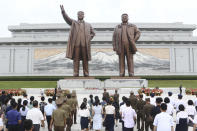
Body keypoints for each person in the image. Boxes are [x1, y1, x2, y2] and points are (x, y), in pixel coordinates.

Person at [60, 5, 95, 77]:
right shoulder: (74, 23)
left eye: (81, 14)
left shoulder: (88, 25)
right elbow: (67, 19)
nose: (80, 15)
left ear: (84, 15)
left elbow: (93, 33)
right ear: (77, 15)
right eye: (79, 14)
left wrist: (89, 38)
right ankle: (76, 73)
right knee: (76, 60)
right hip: (76, 45)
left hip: (85, 45)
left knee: (85, 60)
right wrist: (63, 12)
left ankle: (86, 73)